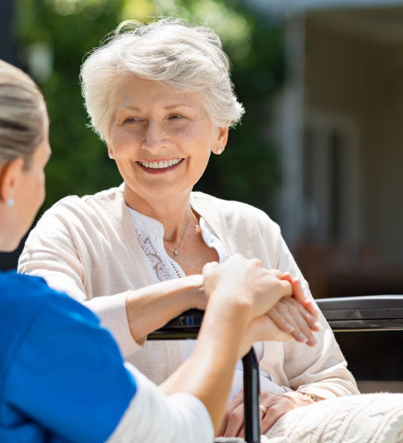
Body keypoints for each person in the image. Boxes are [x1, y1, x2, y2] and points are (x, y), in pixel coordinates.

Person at [0, 49, 299, 443]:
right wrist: (230, 311)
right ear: (8, 181)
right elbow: (175, 434)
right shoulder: (23, 323)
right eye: (42, 165)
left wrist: (193, 290)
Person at [18, 18, 359, 438]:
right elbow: (50, 341)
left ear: (219, 133)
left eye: (176, 116)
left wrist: (292, 403)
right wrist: (202, 291)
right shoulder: (70, 227)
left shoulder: (252, 228)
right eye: (131, 120)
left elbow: (332, 379)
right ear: (108, 139)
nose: (154, 141)